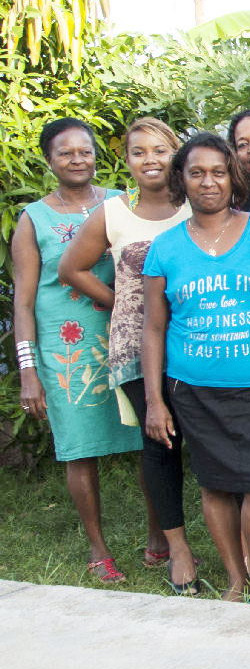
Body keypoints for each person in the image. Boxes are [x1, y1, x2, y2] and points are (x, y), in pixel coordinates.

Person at [141, 131, 250, 604]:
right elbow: (153, 329)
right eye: (197, 173)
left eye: (217, 172)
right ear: (182, 180)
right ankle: (235, 580)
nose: (208, 182)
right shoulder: (166, 247)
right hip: (193, 389)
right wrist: (155, 401)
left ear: (232, 176)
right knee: (214, 485)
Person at [57, 117, 197, 592]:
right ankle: (174, 547)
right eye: (139, 152)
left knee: (205, 438)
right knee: (160, 444)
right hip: (136, 347)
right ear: (127, 161)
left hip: (197, 342)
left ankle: (217, 537)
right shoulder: (113, 213)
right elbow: (71, 267)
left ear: (175, 154)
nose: (150, 160)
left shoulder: (196, 204)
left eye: (159, 150)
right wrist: (121, 301)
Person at [12, 118, 144, 585]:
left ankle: (158, 538)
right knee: (78, 449)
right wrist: (29, 371)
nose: (77, 159)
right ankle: (98, 548)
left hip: (123, 336)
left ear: (96, 156)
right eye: (65, 152)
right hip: (63, 345)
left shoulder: (121, 203)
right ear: (50, 159)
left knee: (147, 435)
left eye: (85, 151)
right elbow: (23, 301)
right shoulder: (34, 218)